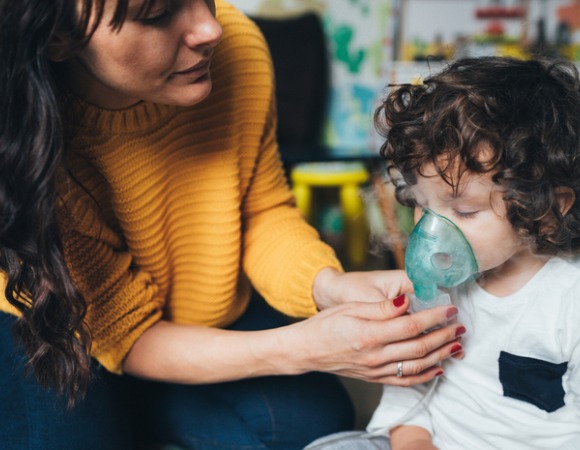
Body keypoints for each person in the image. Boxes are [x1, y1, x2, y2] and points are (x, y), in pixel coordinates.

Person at [0, 1, 468, 449]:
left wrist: (328, 286)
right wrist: (301, 347)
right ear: (59, 37)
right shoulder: (23, 139)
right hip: (58, 325)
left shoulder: (237, 48)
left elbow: (260, 211)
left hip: (195, 304)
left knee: (313, 425)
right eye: (158, 13)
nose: (211, 28)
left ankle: (142, 404)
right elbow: (129, 333)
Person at [306, 56, 580, 449]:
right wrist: (413, 441)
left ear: (546, 209)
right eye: (422, 203)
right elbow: (410, 390)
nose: (431, 232)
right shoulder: (437, 282)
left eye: (465, 210)